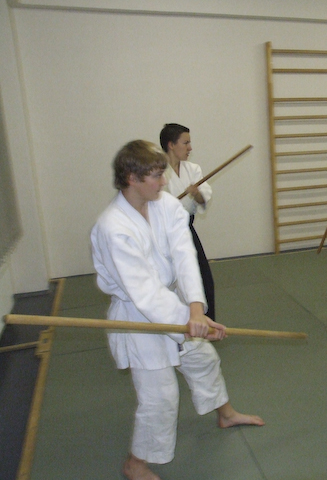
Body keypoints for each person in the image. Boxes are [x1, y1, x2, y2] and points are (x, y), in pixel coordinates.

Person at [91, 140, 263, 480]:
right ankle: (135, 463)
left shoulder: (165, 204)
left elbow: (185, 256)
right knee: (161, 397)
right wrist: (190, 320)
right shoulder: (113, 228)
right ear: (132, 178)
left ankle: (226, 414)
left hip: (174, 307)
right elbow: (144, 292)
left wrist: (196, 310)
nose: (165, 181)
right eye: (156, 175)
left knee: (203, 359)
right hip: (139, 318)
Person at [160, 123, 216, 319]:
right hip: (163, 232)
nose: (190, 148)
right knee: (169, 280)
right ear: (171, 145)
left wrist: (196, 194)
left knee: (203, 278)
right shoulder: (157, 171)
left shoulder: (193, 169)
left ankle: (207, 323)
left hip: (186, 228)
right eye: (186, 143)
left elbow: (203, 200)